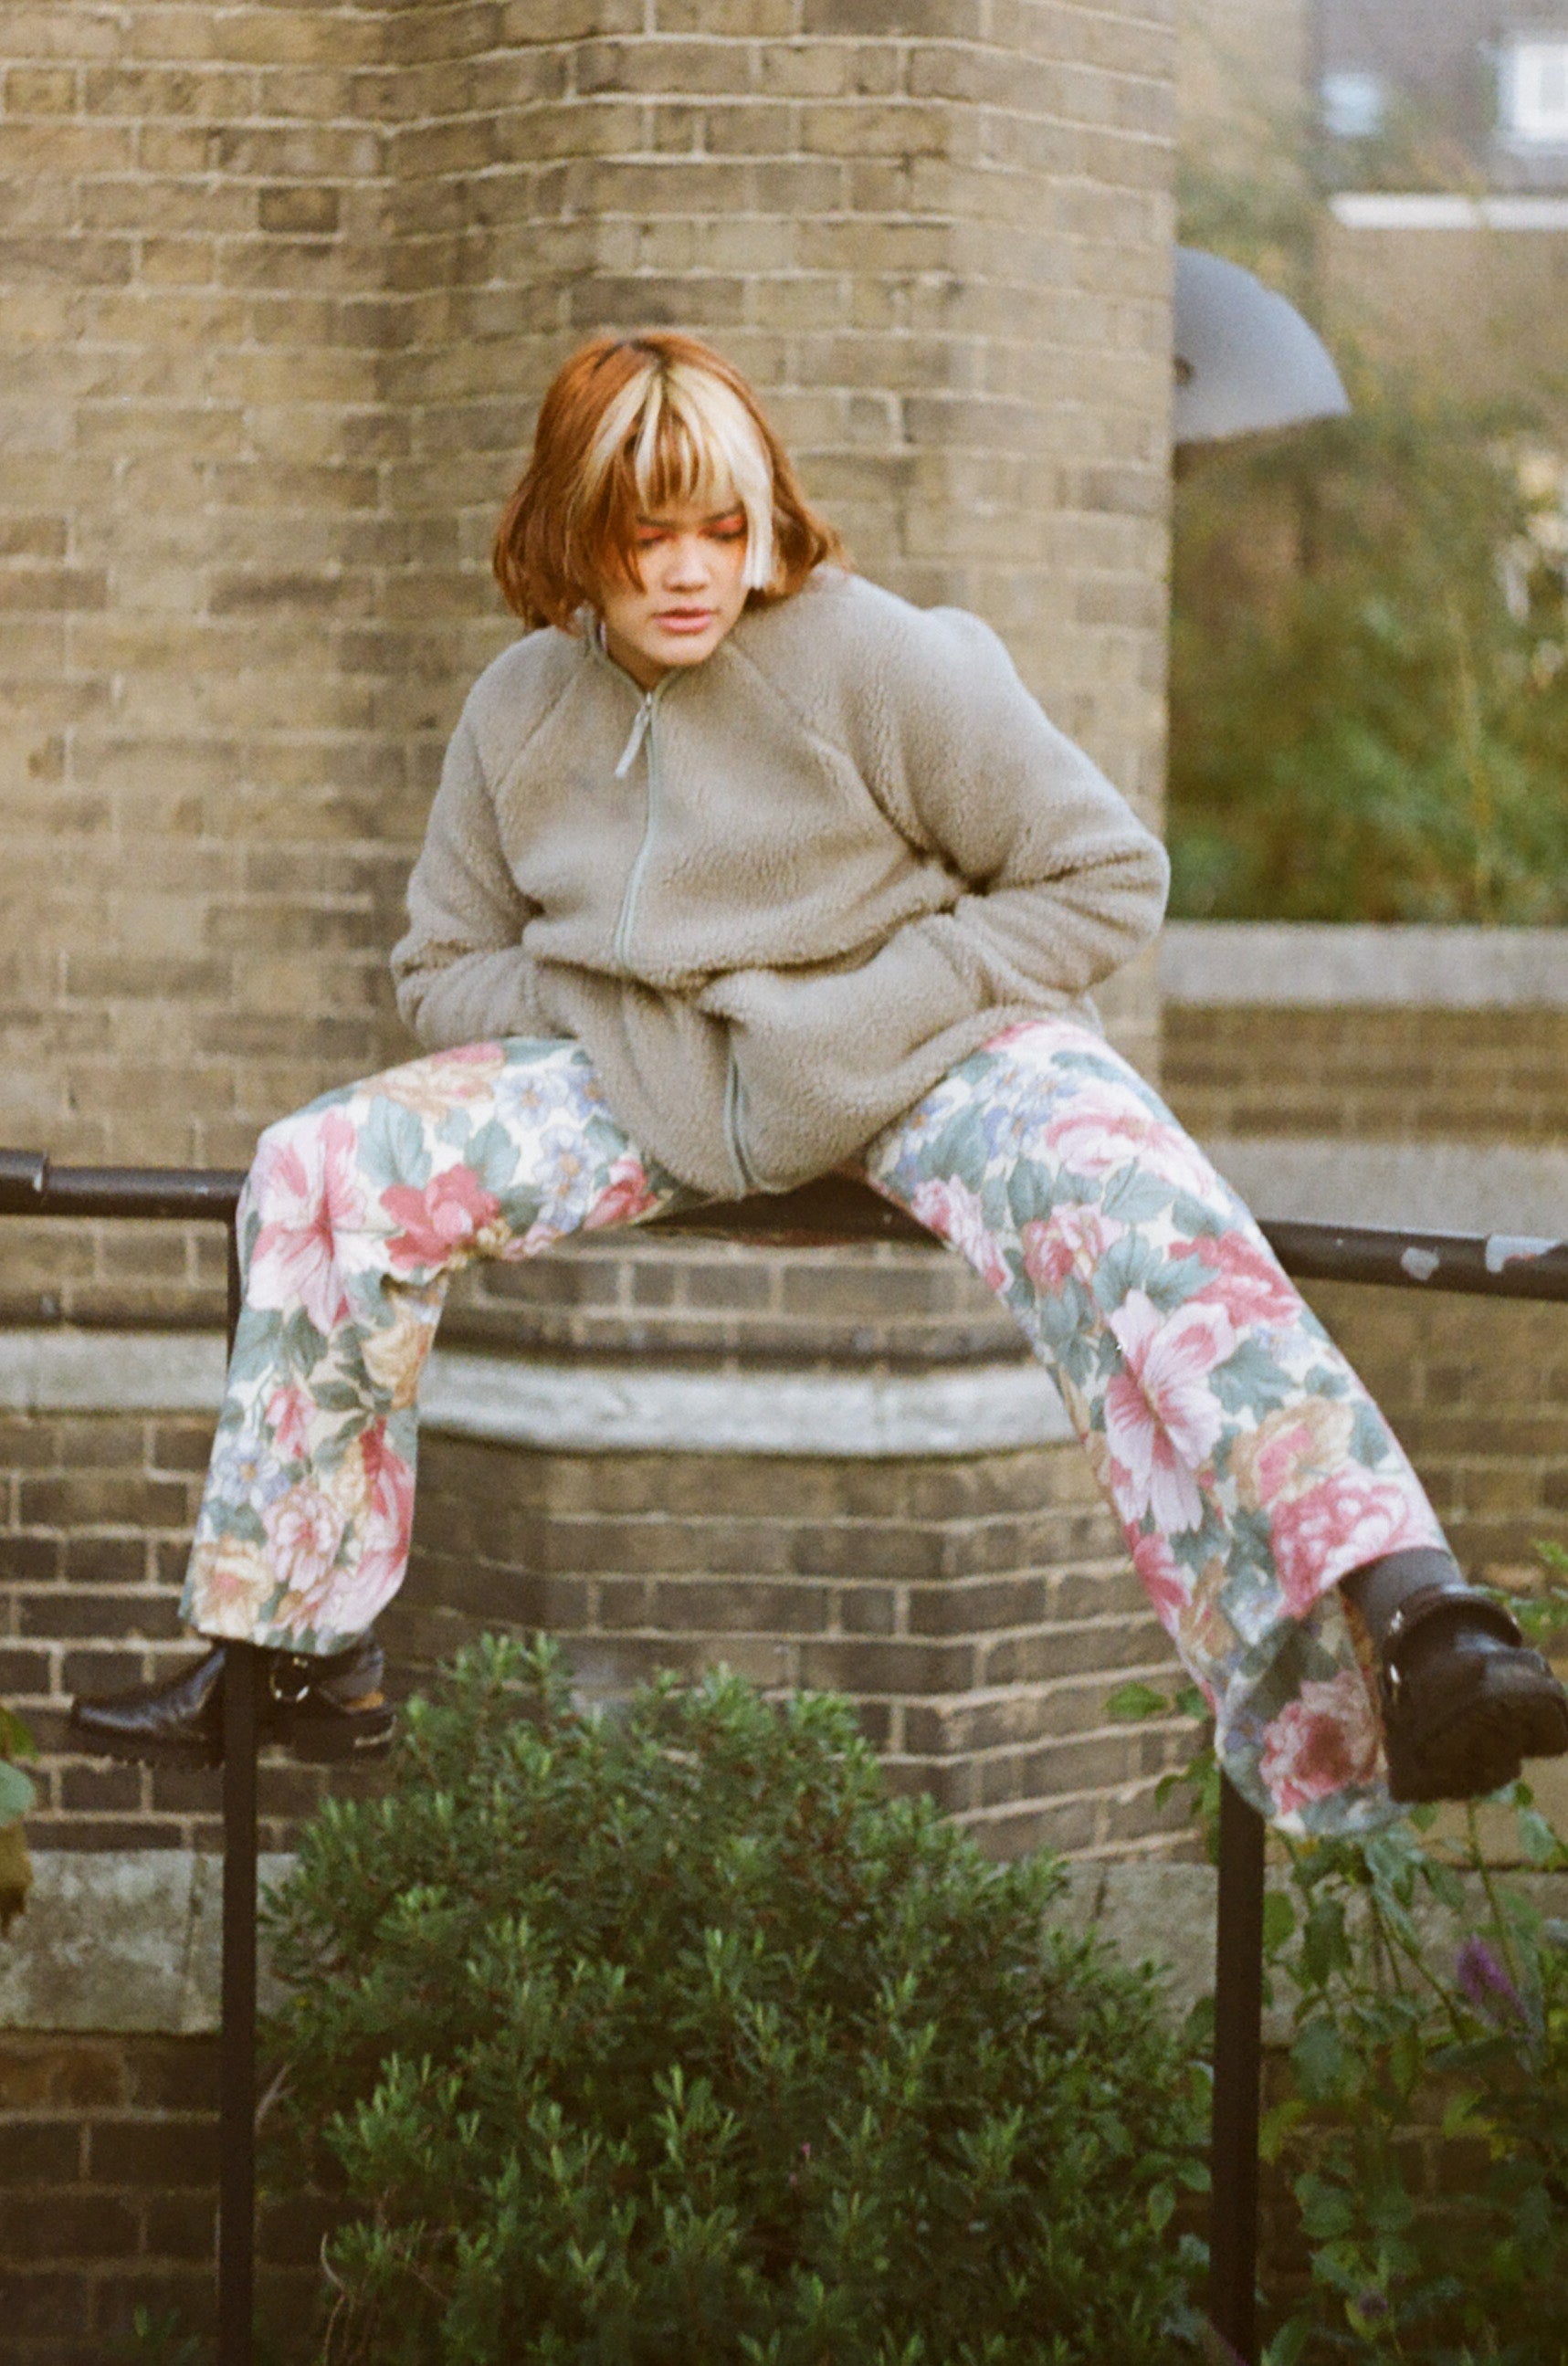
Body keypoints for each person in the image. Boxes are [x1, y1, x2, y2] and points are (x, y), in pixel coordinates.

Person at [71, 331, 1568, 1833]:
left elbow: (1105, 876)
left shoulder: (872, 656)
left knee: (1132, 1202)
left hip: (927, 1049)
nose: (688, 571)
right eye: (642, 535)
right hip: (651, 1082)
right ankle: (297, 1655)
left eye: (719, 528)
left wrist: (872, 1011)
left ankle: (1413, 1613)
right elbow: (441, 969)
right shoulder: (516, 711)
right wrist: (628, 1010)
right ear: (569, 533)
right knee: (326, 1167)